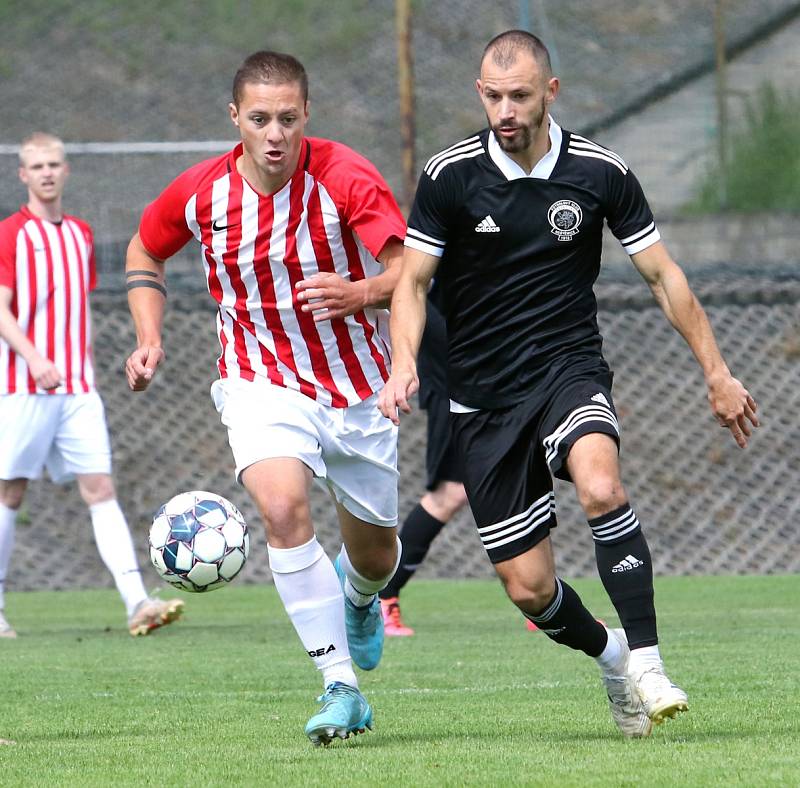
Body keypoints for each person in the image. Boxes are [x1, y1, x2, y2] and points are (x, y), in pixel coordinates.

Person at [379, 30, 759, 738]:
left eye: (519, 96)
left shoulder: (599, 172)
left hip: (566, 368)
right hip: (483, 397)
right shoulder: (449, 176)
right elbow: (412, 282)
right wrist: (404, 362)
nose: (505, 110)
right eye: (492, 96)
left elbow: (663, 276)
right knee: (530, 588)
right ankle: (611, 656)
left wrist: (718, 371)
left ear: (550, 93)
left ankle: (647, 661)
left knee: (601, 484)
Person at [124, 51, 406, 746]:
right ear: (235, 120)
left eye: (287, 117)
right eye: (259, 119)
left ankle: (360, 596)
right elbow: (143, 249)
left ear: (307, 114)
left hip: (356, 388)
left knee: (375, 555)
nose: (274, 133)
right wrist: (149, 335)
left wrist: (361, 292)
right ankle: (340, 686)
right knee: (281, 508)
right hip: (259, 379)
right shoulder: (201, 192)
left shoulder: (345, 177)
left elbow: (410, 270)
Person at [0, 132, 184, 639]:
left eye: (54, 164)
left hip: (79, 388)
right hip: (24, 385)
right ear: (23, 174)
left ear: (65, 170)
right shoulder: (12, 233)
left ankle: (137, 602)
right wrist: (35, 357)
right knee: (10, 493)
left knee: (100, 488)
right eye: (36, 166)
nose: (46, 173)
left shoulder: (80, 233)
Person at [378, 286, 469, 636]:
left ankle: (544, 600)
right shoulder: (426, 271)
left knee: (524, 484)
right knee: (450, 494)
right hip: (456, 388)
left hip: (495, 385)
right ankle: (384, 596)